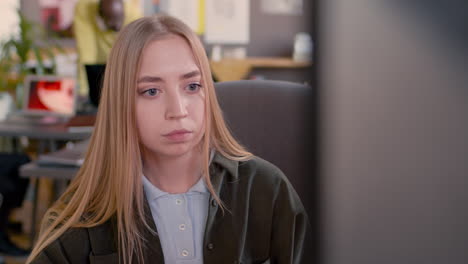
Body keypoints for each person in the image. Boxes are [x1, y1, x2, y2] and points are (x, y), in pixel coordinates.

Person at [27, 15, 310, 264]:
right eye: (151, 91)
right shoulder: (81, 217)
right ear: (121, 103)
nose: (178, 110)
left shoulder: (267, 188)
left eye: (192, 86)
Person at [73, 0, 141, 95]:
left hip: (121, 60)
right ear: (100, 15)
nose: (116, 27)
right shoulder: (83, 8)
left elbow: (133, 55)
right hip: (96, 59)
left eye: (118, 26)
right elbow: (85, 51)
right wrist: (83, 90)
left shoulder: (134, 15)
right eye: (112, 26)